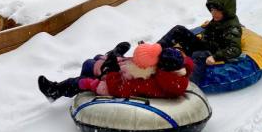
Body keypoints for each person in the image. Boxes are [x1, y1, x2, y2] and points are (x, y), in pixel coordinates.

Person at [157, 0, 262, 93]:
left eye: (217, 10)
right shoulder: (216, 20)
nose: (213, 13)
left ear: (226, 10)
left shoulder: (232, 28)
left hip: (211, 52)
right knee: (179, 30)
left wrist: (215, 57)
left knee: (199, 55)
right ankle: (154, 51)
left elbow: (234, 49)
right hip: (204, 45)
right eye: (212, 10)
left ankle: (189, 86)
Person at [37, 42, 193, 101]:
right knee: (94, 62)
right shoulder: (166, 69)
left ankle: (55, 91)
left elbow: (122, 88)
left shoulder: (150, 82)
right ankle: (111, 56)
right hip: (123, 76)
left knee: (84, 77)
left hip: (113, 83)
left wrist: (110, 73)